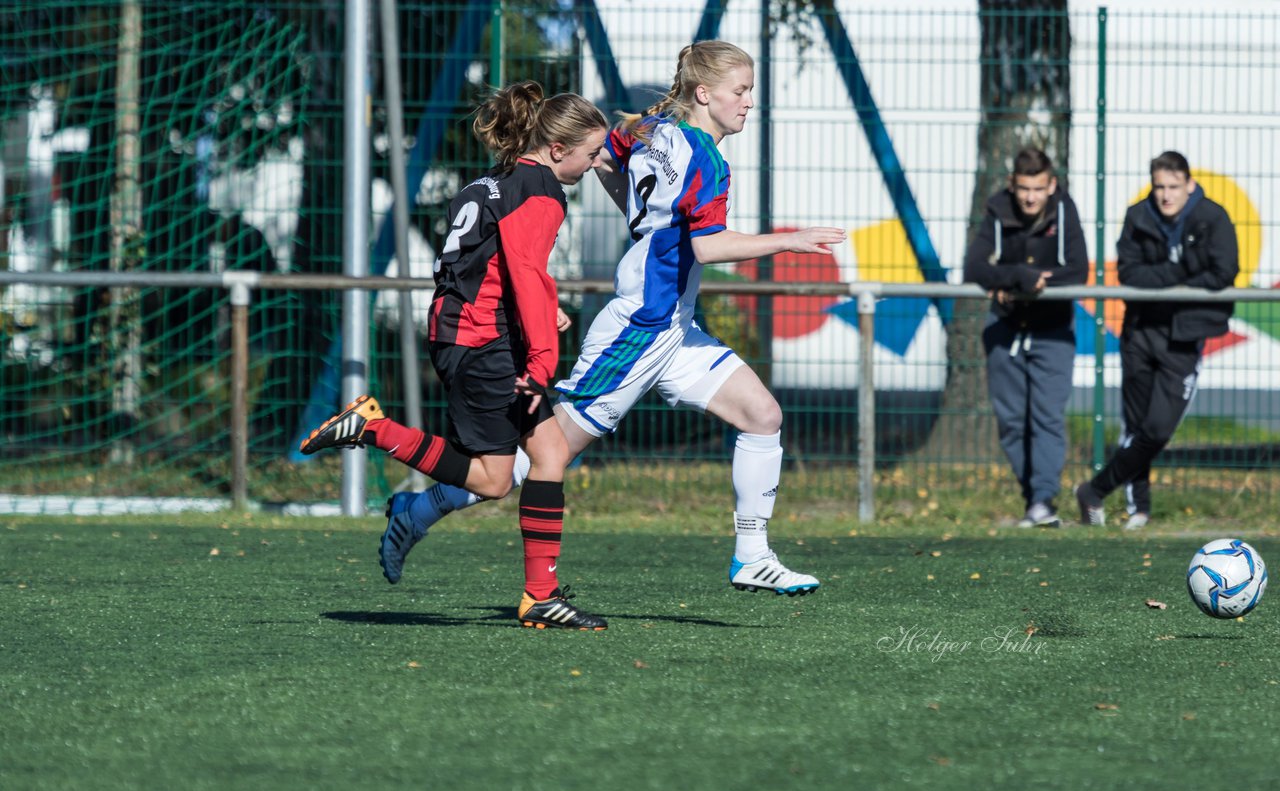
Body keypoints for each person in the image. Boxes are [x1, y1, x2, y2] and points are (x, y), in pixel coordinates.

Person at [377, 40, 846, 596]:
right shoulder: (706, 159)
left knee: (763, 415)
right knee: (546, 454)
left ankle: (752, 556)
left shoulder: (651, 127)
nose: (748, 103)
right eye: (739, 91)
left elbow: (604, 156)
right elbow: (708, 248)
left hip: (673, 323)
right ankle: (420, 509)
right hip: (641, 325)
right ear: (704, 94)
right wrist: (791, 241)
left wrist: (640, 217)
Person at [299, 82, 610, 630]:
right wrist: (541, 361)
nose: (595, 163)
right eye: (590, 153)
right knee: (492, 479)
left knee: (551, 455)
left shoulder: (490, 182)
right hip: (482, 342)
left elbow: (492, 263)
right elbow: (525, 273)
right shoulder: (541, 193)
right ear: (559, 150)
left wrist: (541, 303)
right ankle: (374, 430)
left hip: (466, 332)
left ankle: (541, 593)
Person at [1075, 150, 1238, 527]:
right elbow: (1131, 274)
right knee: (1135, 426)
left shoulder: (1212, 217)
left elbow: (1224, 271)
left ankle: (1094, 490)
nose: (1166, 195)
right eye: (1159, 186)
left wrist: (1166, 278)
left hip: (1185, 336)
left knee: (1158, 429)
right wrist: (1182, 274)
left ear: (1189, 185)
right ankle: (1139, 510)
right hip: (1140, 331)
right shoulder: (1138, 216)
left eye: (1173, 187)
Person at [963, 147, 1088, 528]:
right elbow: (974, 266)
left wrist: (1005, 277)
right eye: (1023, 189)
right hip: (1005, 329)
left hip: (1053, 331)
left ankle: (1043, 500)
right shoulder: (997, 210)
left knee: (1047, 417)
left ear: (1051, 185)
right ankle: (1033, 499)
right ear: (1011, 186)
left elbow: (1077, 271)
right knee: (1012, 422)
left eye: (1038, 188)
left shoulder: (1065, 211)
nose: (1031, 197)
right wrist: (1018, 277)